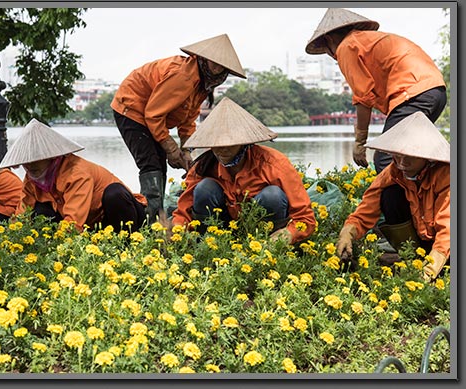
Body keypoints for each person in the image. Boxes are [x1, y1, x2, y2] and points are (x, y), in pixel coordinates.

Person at [111, 33, 246, 222]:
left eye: (222, 67)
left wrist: (187, 152)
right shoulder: (183, 76)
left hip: (152, 116)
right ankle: (151, 223)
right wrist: (172, 150)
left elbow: (188, 120)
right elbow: (154, 114)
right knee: (151, 164)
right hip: (132, 109)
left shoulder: (202, 85)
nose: (218, 69)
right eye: (214, 63)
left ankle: (158, 217)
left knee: (160, 166)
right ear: (204, 60)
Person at [305, 8, 446, 174]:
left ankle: (402, 199)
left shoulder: (346, 47)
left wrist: (360, 142)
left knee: (386, 157)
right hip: (436, 91)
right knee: (413, 154)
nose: (331, 55)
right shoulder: (365, 41)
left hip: (413, 95)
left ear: (329, 39)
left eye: (326, 49)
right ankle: (427, 196)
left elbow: (363, 97)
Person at [172, 97, 316, 245]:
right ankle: (207, 245)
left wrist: (289, 234)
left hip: (263, 231)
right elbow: (184, 211)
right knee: (204, 188)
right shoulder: (204, 166)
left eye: (229, 144)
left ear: (243, 143)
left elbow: (305, 218)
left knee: (273, 195)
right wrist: (177, 231)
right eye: (216, 144)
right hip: (222, 229)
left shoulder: (275, 164)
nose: (222, 150)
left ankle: (268, 247)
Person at [335, 111, 450, 281]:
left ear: (427, 156)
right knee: (389, 195)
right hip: (423, 239)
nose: (402, 162)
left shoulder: (447, 175)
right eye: (398, 154)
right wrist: (347, 233)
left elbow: (448, 230)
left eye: (410, 155)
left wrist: (429, 271)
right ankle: (412, 259)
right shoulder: (394, 171)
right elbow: (367, 207)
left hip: (449, 244)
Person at [0, 119, 147, 232]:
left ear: (50, 156)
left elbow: (74, 222)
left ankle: (127, 245)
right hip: (91, 225)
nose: (29, 166)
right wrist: (12, 238)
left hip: (120, 216)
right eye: (26, 161)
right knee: (39, 211)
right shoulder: (32, 180)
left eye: (35, 159)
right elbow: (22, 215)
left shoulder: (76, 173)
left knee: (114, 193)